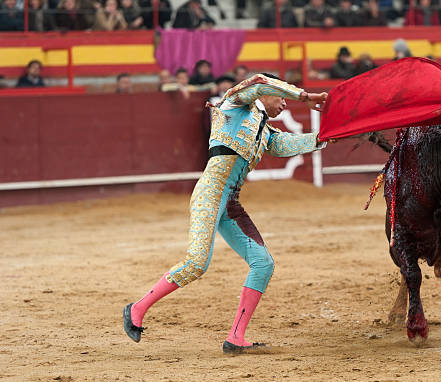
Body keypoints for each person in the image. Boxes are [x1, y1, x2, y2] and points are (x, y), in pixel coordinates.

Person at [123, 73, 328, 354]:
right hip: (209, 194)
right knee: (196, 263)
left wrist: (327, 137)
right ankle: (136, 308)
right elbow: (258, 81)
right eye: (281, 97)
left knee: (263, 263)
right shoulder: (236, 103)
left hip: (230, 203)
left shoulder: (265, 131)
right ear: (266, 94)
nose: (284, 103)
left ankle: (236, 337)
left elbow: (286, 146)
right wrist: (304, 96)